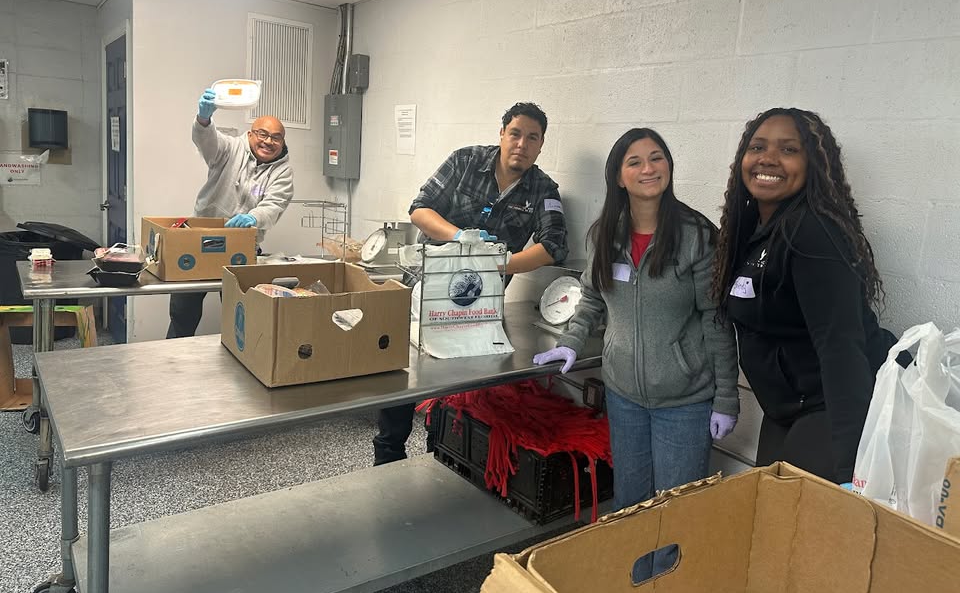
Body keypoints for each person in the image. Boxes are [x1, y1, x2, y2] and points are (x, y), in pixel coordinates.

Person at [533, 127, 740, 514]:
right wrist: (571, 341)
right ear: (619, 177)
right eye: (635, 162)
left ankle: (670, 576)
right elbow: (592, 296)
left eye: (657, 157)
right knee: (629, 504)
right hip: (624, 396)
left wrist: (727, 398)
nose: (648, 168)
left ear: (669, 166)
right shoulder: (605, 235)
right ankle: (636, 575)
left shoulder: (696, 236)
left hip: (684, 402)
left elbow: (716, 319)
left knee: (674, 511)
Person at [373, 101, 569, 465]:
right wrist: (460, 238)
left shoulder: (543, 188)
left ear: (541, 145)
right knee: (402, 376)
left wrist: (501, 264)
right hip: (423, 288)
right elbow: (420, 208)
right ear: (502, 134)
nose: (521, 144)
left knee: (452, 383)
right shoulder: (464, 162)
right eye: (515, 134)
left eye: (532, 138)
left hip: (476, 305)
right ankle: (388, 454)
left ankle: (439, 455)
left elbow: (555, 245)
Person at [712, 107, 897, 486]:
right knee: (769, 514)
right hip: (785, 410)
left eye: (789, 150)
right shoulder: (751, 229)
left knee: (795, 525)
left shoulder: (812, 231)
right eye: (758, 146)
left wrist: (849, 470)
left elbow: (841, 348)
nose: (768, 158)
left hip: (829, 408)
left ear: (812, 163)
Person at [166, 88, 294, 338]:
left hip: (242, 245)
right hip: (200, 239)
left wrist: (253, 218)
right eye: (262, 134)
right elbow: (208, 142)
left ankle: (242, 364)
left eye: (276, 138)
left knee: (241, 312)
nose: (268, 141)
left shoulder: (283, 172)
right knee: (183, 312)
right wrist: (203, 120)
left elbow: (275, 204)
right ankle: (174, 362)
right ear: (250, 134)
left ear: (282, 142)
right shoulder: (231, 148)